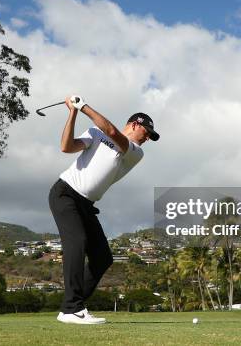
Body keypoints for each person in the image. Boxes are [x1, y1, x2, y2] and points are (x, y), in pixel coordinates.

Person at [49, 95, 159, 324]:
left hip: (86, 205)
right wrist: (73, 113)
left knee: (102, 258)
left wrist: (83, 105)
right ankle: (72, 309)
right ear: (134, 125)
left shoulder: (135, 151)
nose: (147, 138)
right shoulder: (94, 133)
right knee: (77, 243)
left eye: (149, 136)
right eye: (146, 132)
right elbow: (66, 147)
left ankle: (72, 306)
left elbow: (111, 132)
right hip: (65, 194)